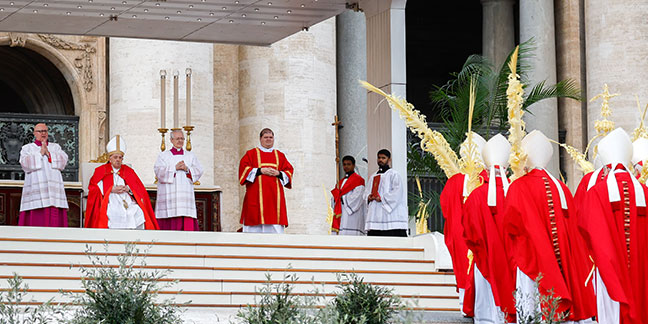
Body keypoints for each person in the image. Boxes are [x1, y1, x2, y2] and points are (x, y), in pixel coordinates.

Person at [502, 130, 595, 323]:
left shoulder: (518, 187)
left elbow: (511, 225)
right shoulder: (561, 188)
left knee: (532, 308)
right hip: (563, 261)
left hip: (531, 260)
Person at [579, 128, 648, 324]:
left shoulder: (596, 193)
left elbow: (586, 231)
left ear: (607, 168)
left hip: (608, 271)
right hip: (642, 272)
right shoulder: (644, 192)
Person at [462, 134, 516, 323]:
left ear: (485, 169)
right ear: (507, 169)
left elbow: (468, 232)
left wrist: (481, 249)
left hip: (485, 257)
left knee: (487, 301)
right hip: (514, 260)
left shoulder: (476, 195)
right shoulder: (516, 192)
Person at [440, 131, 487, 317]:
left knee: (463, 266)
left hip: (459, 233)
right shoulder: (487, 178)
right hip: (481, 233)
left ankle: (464, 305)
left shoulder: (454, 181)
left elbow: (445, 207)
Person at [85, 135, 159, 230]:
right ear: (110, 158)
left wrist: (129, 189)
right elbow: (93, 187)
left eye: (120, 157)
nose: (118, 160)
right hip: (110, 200)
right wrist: (110, 189)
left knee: (137, 211)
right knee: (114, 212)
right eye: (115, 157)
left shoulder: (128, 171)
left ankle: (133, 239)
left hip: (127, 199)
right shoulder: (100, 170)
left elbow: (139, 189)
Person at [238, 128, 294, 233]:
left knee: (275, 230)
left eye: (271, 137)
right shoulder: (251, 154)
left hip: (274, 199)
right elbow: (243, 170)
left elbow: (289, 170)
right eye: (266, 137)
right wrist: (260, 171)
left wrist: (279, 173)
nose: (268, 139)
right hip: (255, 197)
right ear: (260, 139)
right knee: (253, 231)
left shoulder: (279, 155)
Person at [18, 123, 69, 227]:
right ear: (34, 133)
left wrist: (49, 154)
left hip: (53, 189)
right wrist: (40, 153)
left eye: (45, 131)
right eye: (40, 131)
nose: (43, 133)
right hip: (36, 186)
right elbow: (24, 163)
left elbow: (63, 161)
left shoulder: (55, 147)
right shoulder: (27, 148)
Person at [154, 129, 204, 231]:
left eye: (182, 138)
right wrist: (174, 168)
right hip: (170, 194)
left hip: (185, 195)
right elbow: (158, 172)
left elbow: (199, 170)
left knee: (185, 216)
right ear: (171, 140)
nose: (180, 141)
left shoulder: (190, 155)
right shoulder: (163, 156)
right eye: (177, 138)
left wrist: (187, 169)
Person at [363, 149, 408, 237]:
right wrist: (369, 197)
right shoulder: (373, 176)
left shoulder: (394, 174)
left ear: (389, 160)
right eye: (379, 158)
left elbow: (397, 193)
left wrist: (383, 198)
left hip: (390, 215)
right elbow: (366, 192)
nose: (380, 160)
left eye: (383, 158)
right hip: (376, 215)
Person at [330, 155, 366, 235]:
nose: (346, 166)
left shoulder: (359, 180)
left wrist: (342, 198)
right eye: (344, 164)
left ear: (353, 165)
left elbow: (358, 197)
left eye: (349, 164)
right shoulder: (340, 182)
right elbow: (334, 198)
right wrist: (335, 198)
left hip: (351, 214)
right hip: (341, 213)